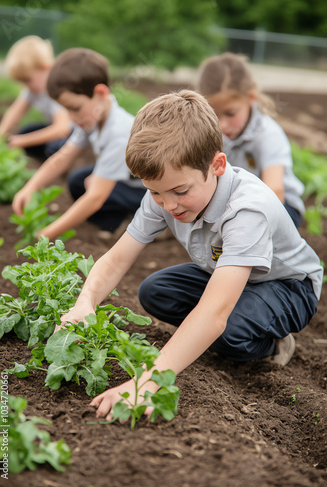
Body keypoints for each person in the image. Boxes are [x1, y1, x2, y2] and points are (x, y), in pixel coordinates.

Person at [59, 90, 323, 420]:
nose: (168, 205)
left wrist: (145, 383)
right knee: (155, 292)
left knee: (226, 329)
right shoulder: (167, 193)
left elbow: (214, 312)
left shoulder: (246, 211)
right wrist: (85, 303)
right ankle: (208, 335)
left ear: (217, 165)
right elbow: (116, 258)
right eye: (154, 192)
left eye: (180, 191)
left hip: (287, 286)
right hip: (226, 274)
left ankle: (273, 344)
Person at [12, 48, 146, 241]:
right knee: (78, 180)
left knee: (93, 190)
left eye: (75, 108)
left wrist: (46, 234)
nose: (71, 118)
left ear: (100, 93)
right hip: (126, 184)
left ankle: (148, 224)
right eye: (66, 110)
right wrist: (30, 187)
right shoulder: (91, 118)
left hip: (150, 194)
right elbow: (62, 158)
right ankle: (119, 221)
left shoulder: (119, 133)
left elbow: (95, 199)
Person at [197, 52, 305, 228]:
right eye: (214, 114)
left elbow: (275, 191)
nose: (222, 125)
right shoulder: (209, 132)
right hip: (234, 203)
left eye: (230, 114)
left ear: (250, 98)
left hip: (281, 208)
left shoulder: (268, 134)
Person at [0, 36, 71, 161]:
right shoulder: (32, 90)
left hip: (72, 133)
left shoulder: (57, 88)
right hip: (55, 128)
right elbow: (14, 112)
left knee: (54, 146)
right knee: (25, 131)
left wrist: (22, 141)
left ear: (46, 68)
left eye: (27, 80)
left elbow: (62, 128)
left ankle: (55, 163)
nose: (24, 86)